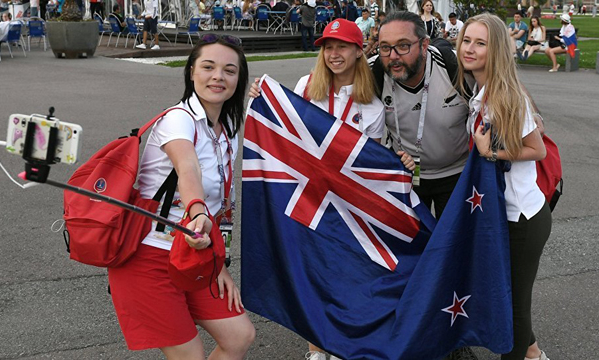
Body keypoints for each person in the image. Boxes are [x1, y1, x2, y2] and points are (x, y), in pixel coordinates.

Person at [249, 19, 402, 360]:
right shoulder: (305, 86)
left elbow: (370, 166)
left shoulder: (372, 107)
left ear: (359, 52)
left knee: (344, 276)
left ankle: (340, 344)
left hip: (347, 208)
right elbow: (279, 129)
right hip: (305, 199)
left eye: (342, 47)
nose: (334, 54)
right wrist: (262, 97)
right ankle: (315, 349)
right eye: (328, 47)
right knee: (310, 275)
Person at [107, 33, 255, 359]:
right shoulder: (178, 119)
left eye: (230, 71)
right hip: (147, 257)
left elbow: (223, 208)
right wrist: (198, 211)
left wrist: (220, 265)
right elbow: (188, 168)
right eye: (208, 67)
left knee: (239, 336)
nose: (218, 76)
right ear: (191, 72)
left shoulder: (225, 133)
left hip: (194, 255)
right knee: (189, 356)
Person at [456, 13, 552, 360]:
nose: (469, 48)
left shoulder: (505, 95)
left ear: (494, 49)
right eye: (467, 40)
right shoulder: (482, 91)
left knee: (514, 305)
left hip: (522, 217)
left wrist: (490, 152)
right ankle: (534, 354)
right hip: (501, 213)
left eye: (480, 43)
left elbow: (536, 149)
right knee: (506, 296)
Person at [371, 11, 472, 221]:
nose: (393, 56)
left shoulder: (453, 66)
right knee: (412, 249)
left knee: (452, 248)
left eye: (403, 46)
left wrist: (533, 114)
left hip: (456, 175)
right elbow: (332, 74)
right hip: (405, 175)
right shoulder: (373, 72)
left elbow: (501, 79)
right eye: (385, 47)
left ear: (424, 45)